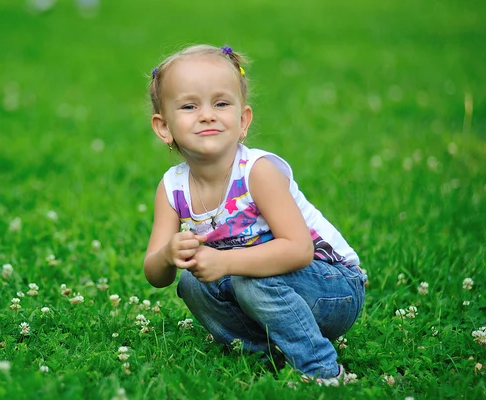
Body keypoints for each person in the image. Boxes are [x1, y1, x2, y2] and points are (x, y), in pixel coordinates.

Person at [143, 44, 366, 385]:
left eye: (221, 103)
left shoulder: (257, 172)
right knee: (191, 282)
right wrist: (169, 254)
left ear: (243, 120)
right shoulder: (172, 189)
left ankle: (322, 369)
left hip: (332, 288)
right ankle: (267, 351)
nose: (207, 115)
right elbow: (155, 275)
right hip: (262, 288)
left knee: (248, 279)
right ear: (164, 127)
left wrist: (226, 264)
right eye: (189, 106)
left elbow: (298, 249)